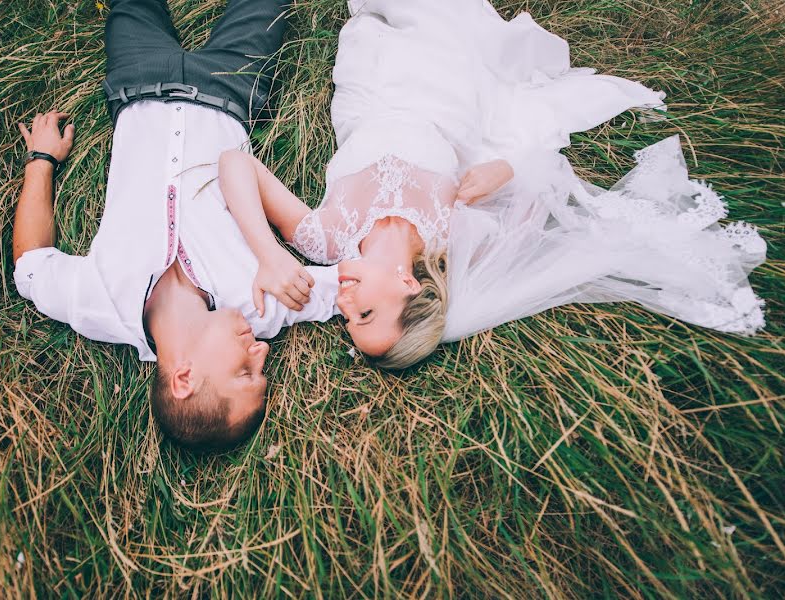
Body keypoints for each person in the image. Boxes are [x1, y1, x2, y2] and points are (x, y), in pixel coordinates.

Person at [218, 0, 681, 370]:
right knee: (443, 21)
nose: (343, 302)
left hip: (369, 87)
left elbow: (236, 163)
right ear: (408, 286)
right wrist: (507, 169)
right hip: (445, 103)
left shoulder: (327, 239)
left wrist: (269, 254)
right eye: (365, 313)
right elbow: (540, 189)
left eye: (347, 319)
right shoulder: (451, 238)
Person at [12, 0, 339, 453]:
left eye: (245, 372)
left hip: (139, 82)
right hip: (231, 86)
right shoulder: (260, 306)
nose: (262, 355)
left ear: (184, 377)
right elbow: (359, 287)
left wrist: (42, 160)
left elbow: (31, 267)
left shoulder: (99, 305)